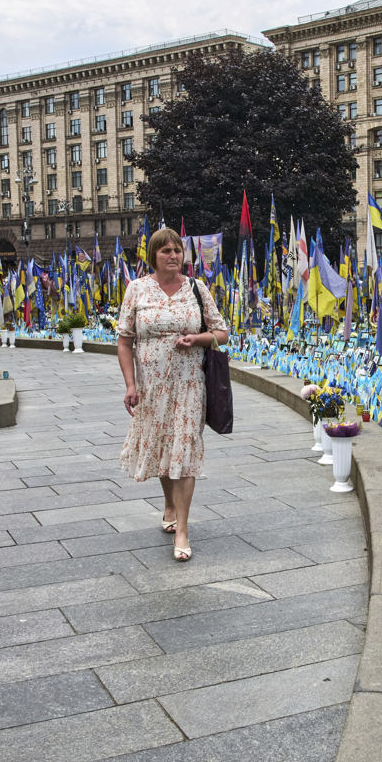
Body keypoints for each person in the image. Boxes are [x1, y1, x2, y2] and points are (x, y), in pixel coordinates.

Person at [117, 227, 229, 561]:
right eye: (165, 250)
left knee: (185, 451)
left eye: (178, 250)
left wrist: (198, 339)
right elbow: (124, 340)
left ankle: (182, 529)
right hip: (152, 389)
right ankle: (168, 503)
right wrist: (130, 385)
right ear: (153, 255)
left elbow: (222, 332)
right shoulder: (137, 290)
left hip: (190, 386)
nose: (173, 255)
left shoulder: (197, 288)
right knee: (165, 449)